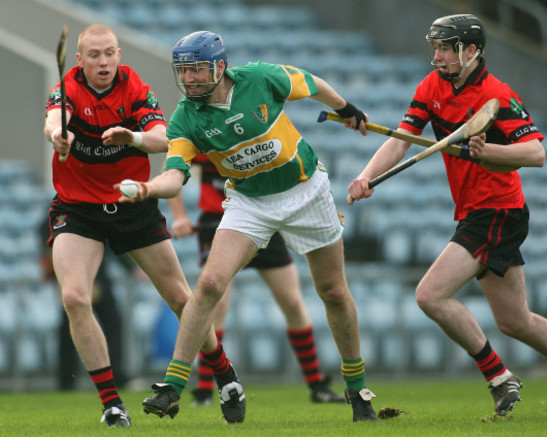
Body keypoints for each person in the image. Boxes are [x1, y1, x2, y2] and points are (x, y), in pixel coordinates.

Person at [348, 13, 547, 418]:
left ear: (471, 51)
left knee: (430, 294)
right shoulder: (432, 86)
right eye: (436, 47)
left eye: (446, 48)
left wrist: (488, 152)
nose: (438, 55)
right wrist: (366, 175)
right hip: (477, 212)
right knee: (517, 321)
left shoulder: (497, 94)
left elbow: (536, 153)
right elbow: (402, 138)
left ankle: (499, 377)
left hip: (498, 211)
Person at [123, 30, 377, 422]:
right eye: (183, 72)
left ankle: (357, 388)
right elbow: (174, 175)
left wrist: (345, 109)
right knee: (208, 285)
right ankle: (173, 387)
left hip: (306, 190)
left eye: (196, 70)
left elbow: (310, 83)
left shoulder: (259, 77)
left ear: (220, 66)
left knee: (333, 292)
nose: (188, 79)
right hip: (249, 203)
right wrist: (147, 189)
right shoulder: (186, 118)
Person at [44, 24, 241, 428]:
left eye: (109, 53)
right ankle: (112, 404)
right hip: (78, 209)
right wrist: (57, 137)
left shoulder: (134, 88)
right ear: (79, 60)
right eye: (94, 55)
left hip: (131, 202)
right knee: (76, 299)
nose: (103, 62)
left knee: (184, 301)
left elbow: (163, 137)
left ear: (119, 54)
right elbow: (52, 120)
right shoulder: (67, 88)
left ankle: (224, 375)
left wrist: (131, 138)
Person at [167, 155, 346, 405]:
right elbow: (173, 171)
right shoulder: (205, 137)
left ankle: (317, 385)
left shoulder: (256, 135)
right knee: (216, 305)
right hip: (218, 224)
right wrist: (179, 217)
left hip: (263, 218)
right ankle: (205, 390)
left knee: (293, 303)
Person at [39, 216, 128, 391]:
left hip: (98, 277)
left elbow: (114, 240)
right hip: (72, 275)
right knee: (70, 328)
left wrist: (131, 267)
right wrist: (50, 254)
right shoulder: (63, 207)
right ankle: (66, 380)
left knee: (111, 324)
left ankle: (116, 375)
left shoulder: (97, 208)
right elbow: (45, 229)